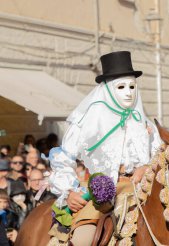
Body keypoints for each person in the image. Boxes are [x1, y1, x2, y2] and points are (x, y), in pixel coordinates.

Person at [48, 51, 161, 245]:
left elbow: (161, 156)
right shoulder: (86, 123)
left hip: (144, 192)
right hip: (99, 196)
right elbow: (62, 159)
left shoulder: (144, 124)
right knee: (83, 238)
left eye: (132, 86)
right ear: (107, 89)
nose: (128, 92)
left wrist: (148, 168)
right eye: (121, 87)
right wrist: (69, 192)